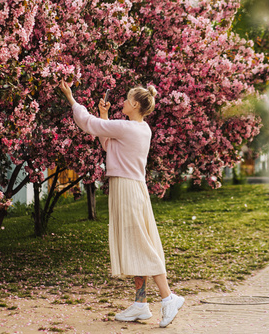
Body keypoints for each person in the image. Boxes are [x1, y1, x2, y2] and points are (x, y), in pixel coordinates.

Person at [59, 79, 184, 328]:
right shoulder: (139, 128)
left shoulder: (128, 128)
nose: (123, 102)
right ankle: (140, 304)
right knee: (137, 243)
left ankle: (169, 297)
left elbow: (89, 124)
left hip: (128, 188)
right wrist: (105, 115)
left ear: (135, 104)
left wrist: (71, 99)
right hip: (131, 187)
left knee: (142, 244)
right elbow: (109, 144)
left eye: (127, 100)